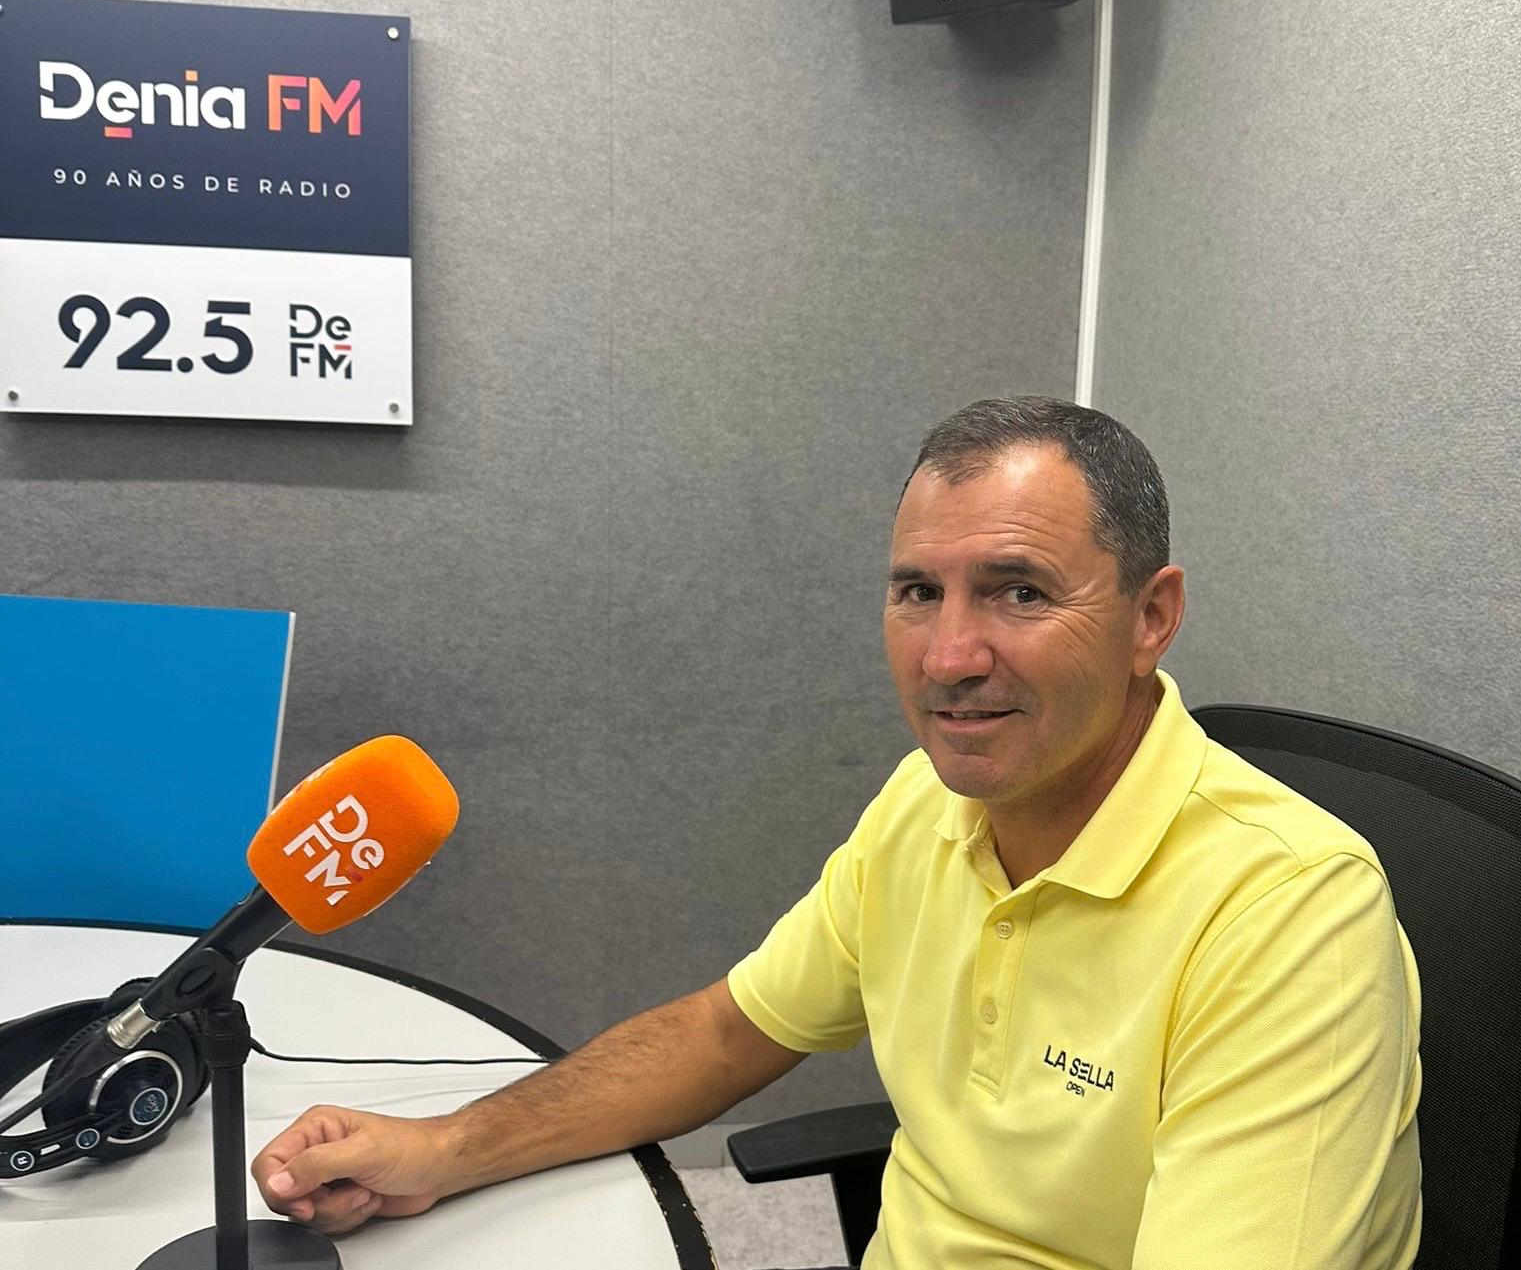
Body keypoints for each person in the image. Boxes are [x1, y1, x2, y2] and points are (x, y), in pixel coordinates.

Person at [252, 396, 1422, 1268]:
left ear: (1150, 616)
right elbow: (725, 1033)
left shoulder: (1292, 913)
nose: (949, 657)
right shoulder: (927, 805)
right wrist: (446, 1149)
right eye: (918, 592)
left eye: (1019, 591)